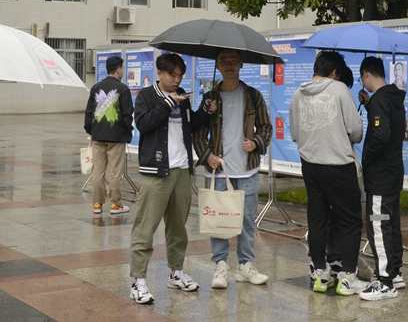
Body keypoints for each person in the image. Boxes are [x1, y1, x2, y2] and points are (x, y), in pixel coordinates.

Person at [129, 53, 216, 305]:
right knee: (146, 227)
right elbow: (144, 124)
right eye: (172, 75)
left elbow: (190, 126)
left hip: (182, 170)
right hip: (156, 171)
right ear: (159, 73)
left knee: (178, 227)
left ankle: (176, 272)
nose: (177, 80)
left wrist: (204, 110)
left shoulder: (182, 98)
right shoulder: (146, 96)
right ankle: (137, 281)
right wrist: (167, 103)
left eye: (180, 76)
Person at [193, 48, 273, 289]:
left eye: (234, 61)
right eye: (224, 61)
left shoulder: (253, 95)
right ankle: (220, 266)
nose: (229, 65)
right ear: (217, 65)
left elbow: (266, 127)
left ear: (241, 64)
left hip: (247, 169)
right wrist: (207, 156)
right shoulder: (209, 98)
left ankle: (245, 265)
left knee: (247, 220)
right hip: (218, 170)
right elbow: (198, 132)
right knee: (218, 220)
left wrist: (256, 142)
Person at [289, 51, 365, 296]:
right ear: (334, 72)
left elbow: (294, 133)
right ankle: (348, 277)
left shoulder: (298, 94)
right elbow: (355, 131)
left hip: (310, 164)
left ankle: (320, 274)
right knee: (350, 220)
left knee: (317, 219)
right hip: (338, 165)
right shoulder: (339, 89)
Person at [357, 56, 406, 301]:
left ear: (366, 74)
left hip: (380, 177)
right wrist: (369, 105)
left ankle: (385, 281)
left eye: (361, 78)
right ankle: (395, 273)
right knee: (391, 223)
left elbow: (380, 135)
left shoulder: (380, 100)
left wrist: (366, 158)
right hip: (393, 173)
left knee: (378, 224)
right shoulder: (394, 97)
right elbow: (388, 124)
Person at [84, 56, 134, 215]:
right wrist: (128, 130)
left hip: (98, 135)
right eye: (122, 68)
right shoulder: (123, 89)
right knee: (115, 172)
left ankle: (97, 204)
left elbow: (89, 112)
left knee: (98, 171)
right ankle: (115, 204)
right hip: (117, 137)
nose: (123, 71)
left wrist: (91, 131)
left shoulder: (96, 87)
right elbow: (127, 114)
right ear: (118, 69)